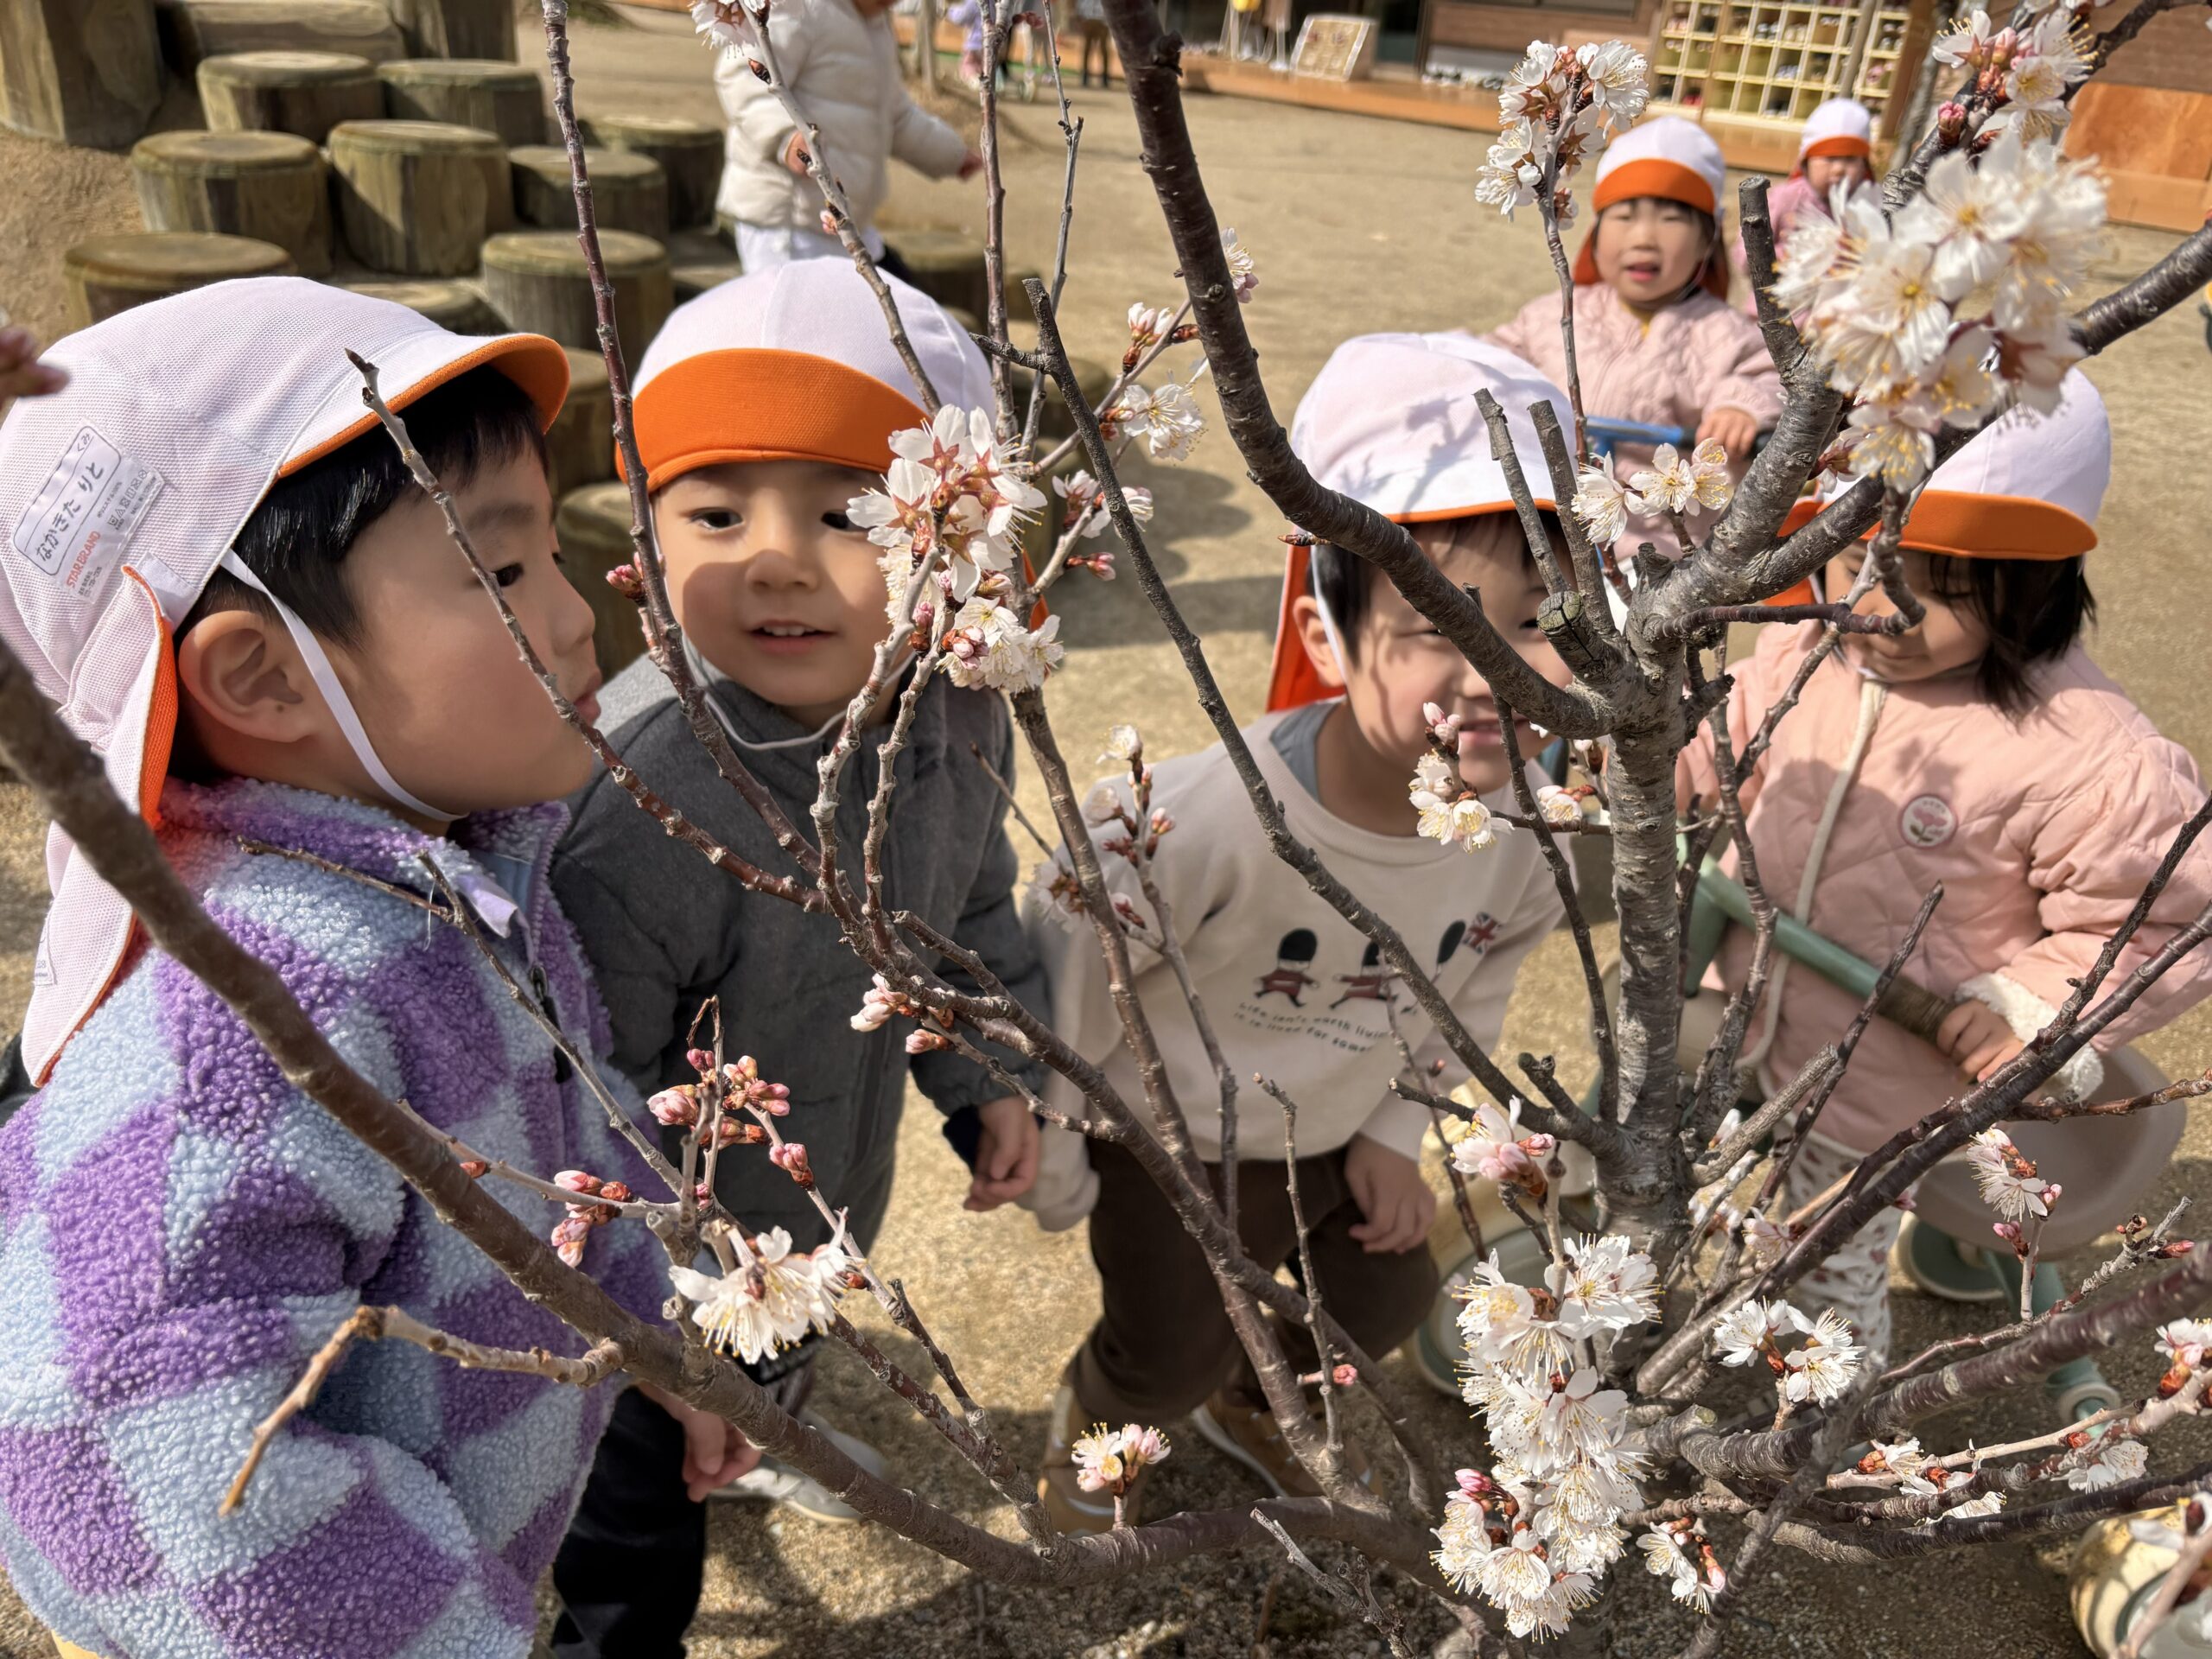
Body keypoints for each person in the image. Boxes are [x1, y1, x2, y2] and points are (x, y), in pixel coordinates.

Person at [0, 280, 706, 1659]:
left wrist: (655, 1330)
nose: (579, 619)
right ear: (261, 679)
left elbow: (563, 1140)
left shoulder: (455, 884)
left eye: (553, 554)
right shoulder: (248, 1018)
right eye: (501, 575)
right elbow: (129, 1432)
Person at [550, 261, 1048, 1654]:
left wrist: (986, 1077)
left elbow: (968, 909)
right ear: (648, 537)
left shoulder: (956, 705)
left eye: (844, 515)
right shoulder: (650, 798)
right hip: (663, 1257)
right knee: (637, 1508)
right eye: (716, 514)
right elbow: (583, 1090)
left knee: (789, 1344)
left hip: (822, 1185)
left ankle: (764, 1421)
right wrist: (649, 1315)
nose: (775, 559)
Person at [1018, 335, 1577, 1532]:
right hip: (1179, 1144)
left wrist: (1393, 1128)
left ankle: (1254, 1404)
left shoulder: (1532, 831)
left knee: (1381, 1300)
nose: (1492, 669)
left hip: (1336, 1122)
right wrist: (1058, 1138)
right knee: (1165, 1349)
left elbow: (1475, 980)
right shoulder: (1201, 823)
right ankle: (1105, 1419)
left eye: (1538, 622)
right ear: (1325, 639)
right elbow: (1070, 960)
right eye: (1439, 627)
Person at [1678, 373, 2212, 1362]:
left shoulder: (2089, 755)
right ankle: (1949, 1255)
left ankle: (1832, 1413)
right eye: (1859, 563)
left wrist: (2026, 1009)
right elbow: (1733, 724)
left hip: (1890, 1077)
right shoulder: (1814, 650)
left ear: (2034, 590)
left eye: (1946, 591)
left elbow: (2160, 921)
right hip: (1756, 1002)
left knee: (1819, 1269)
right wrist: (1657, 758)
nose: (1887, 612)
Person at [1486, 115, 1782, 559]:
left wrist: (1741, 406)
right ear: (1595, 235)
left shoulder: (1729, 334)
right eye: (1624, 216)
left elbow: (1773, 380)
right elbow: (1491, 360)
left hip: (1655, 551)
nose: (1644, 237)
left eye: (1671, 219)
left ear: (1707, 241)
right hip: (1543, 536)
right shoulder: (1554, 314)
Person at [710, 0, 982, 271]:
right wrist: (786, 136)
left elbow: (896, 117)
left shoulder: (876, 26)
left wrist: (952, 155)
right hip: (785, 220)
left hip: (843, 221)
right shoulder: (802, 8)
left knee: (888, 290)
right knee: (803, 298)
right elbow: (744, 77)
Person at [1730, 97, 1875, 315]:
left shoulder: (1866, 208)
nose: (1839, 169)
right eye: (1829, 158)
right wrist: (1784, 258)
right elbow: (1745, 251)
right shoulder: (1787, 198)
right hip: (1774, 315)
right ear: (1805, 162)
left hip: (1834, 320)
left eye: (1850, 159)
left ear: (1865, 165)